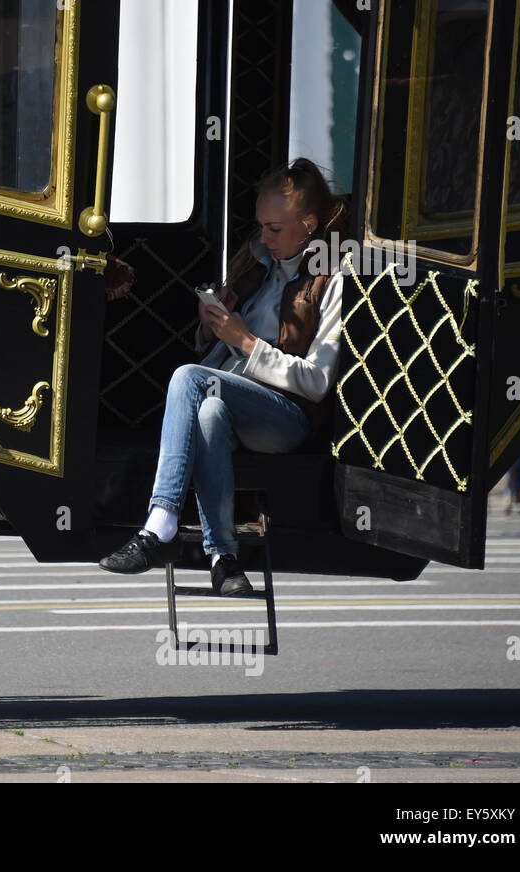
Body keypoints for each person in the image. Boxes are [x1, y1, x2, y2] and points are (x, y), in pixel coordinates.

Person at [98, 158, 349, 595]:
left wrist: (247, 341)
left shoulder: (334, 276)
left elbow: (317, 381)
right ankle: (224, 558)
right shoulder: (256, 266)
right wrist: (213, 324)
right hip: (233, 399)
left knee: (188, 379)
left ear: (309, 223)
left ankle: (161, 525)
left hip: (286, 415)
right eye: (261, 227)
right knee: (209, 410)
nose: (264, 238)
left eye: (275, 228)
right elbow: (222, 353)